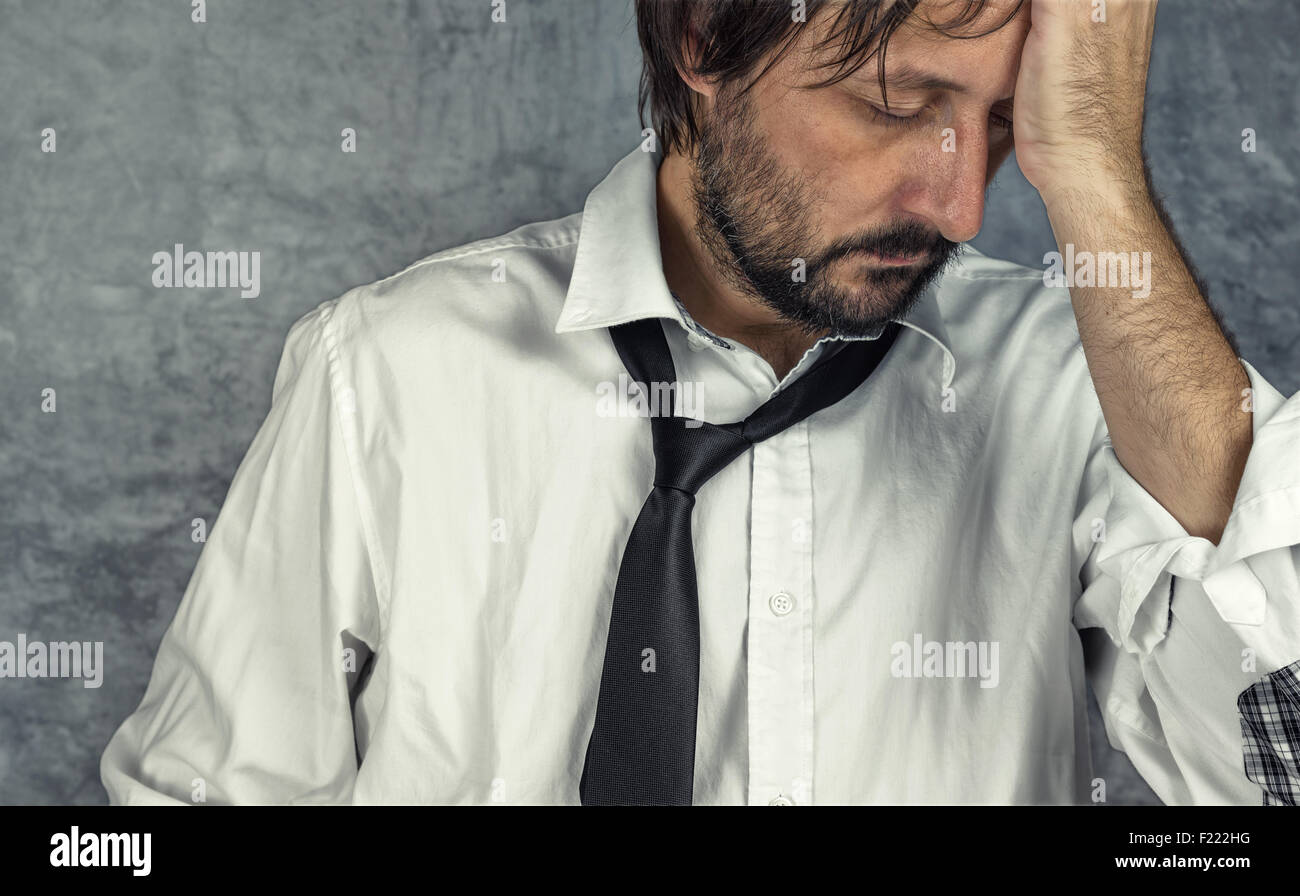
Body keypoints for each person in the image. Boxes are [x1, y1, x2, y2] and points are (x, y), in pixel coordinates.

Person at [102, 0, 1300, 805]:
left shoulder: (1079, 385)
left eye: (1000, 127)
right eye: (894, 104)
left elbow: (1279, 762)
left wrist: (1093, 165)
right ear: (704, 41)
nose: (959, 205)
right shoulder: (383, 375)